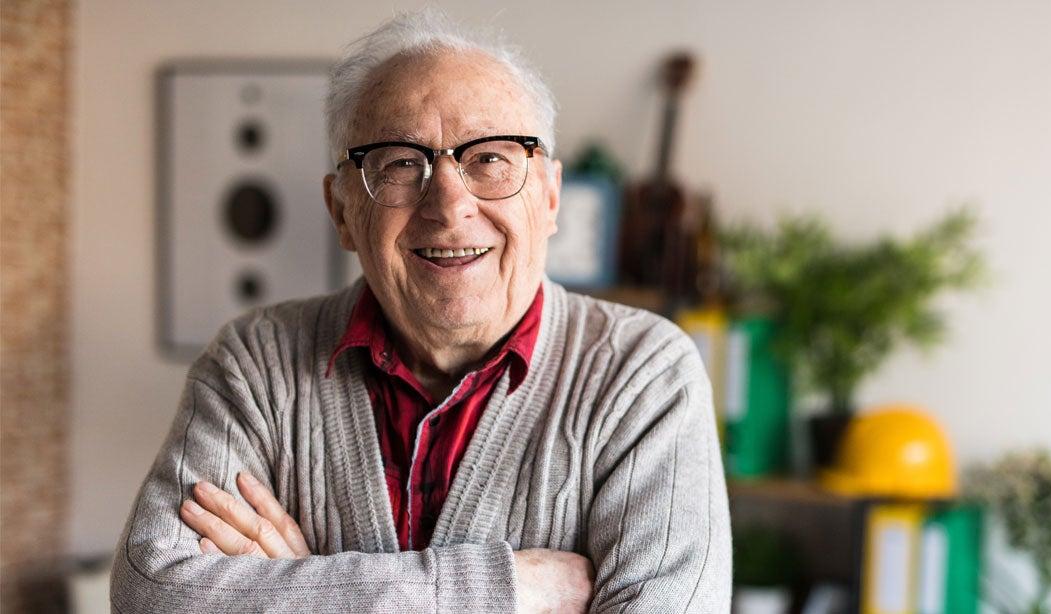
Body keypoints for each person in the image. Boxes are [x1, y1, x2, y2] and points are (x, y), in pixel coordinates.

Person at [110, 9, 731, 613]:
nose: (449, 205)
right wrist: (507, 591)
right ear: (343, 210)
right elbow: (150, 595)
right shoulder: (254, 362)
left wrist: (300, 587)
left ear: (548, 197)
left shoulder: (643, 374)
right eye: (402, 163)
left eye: (490, 158)